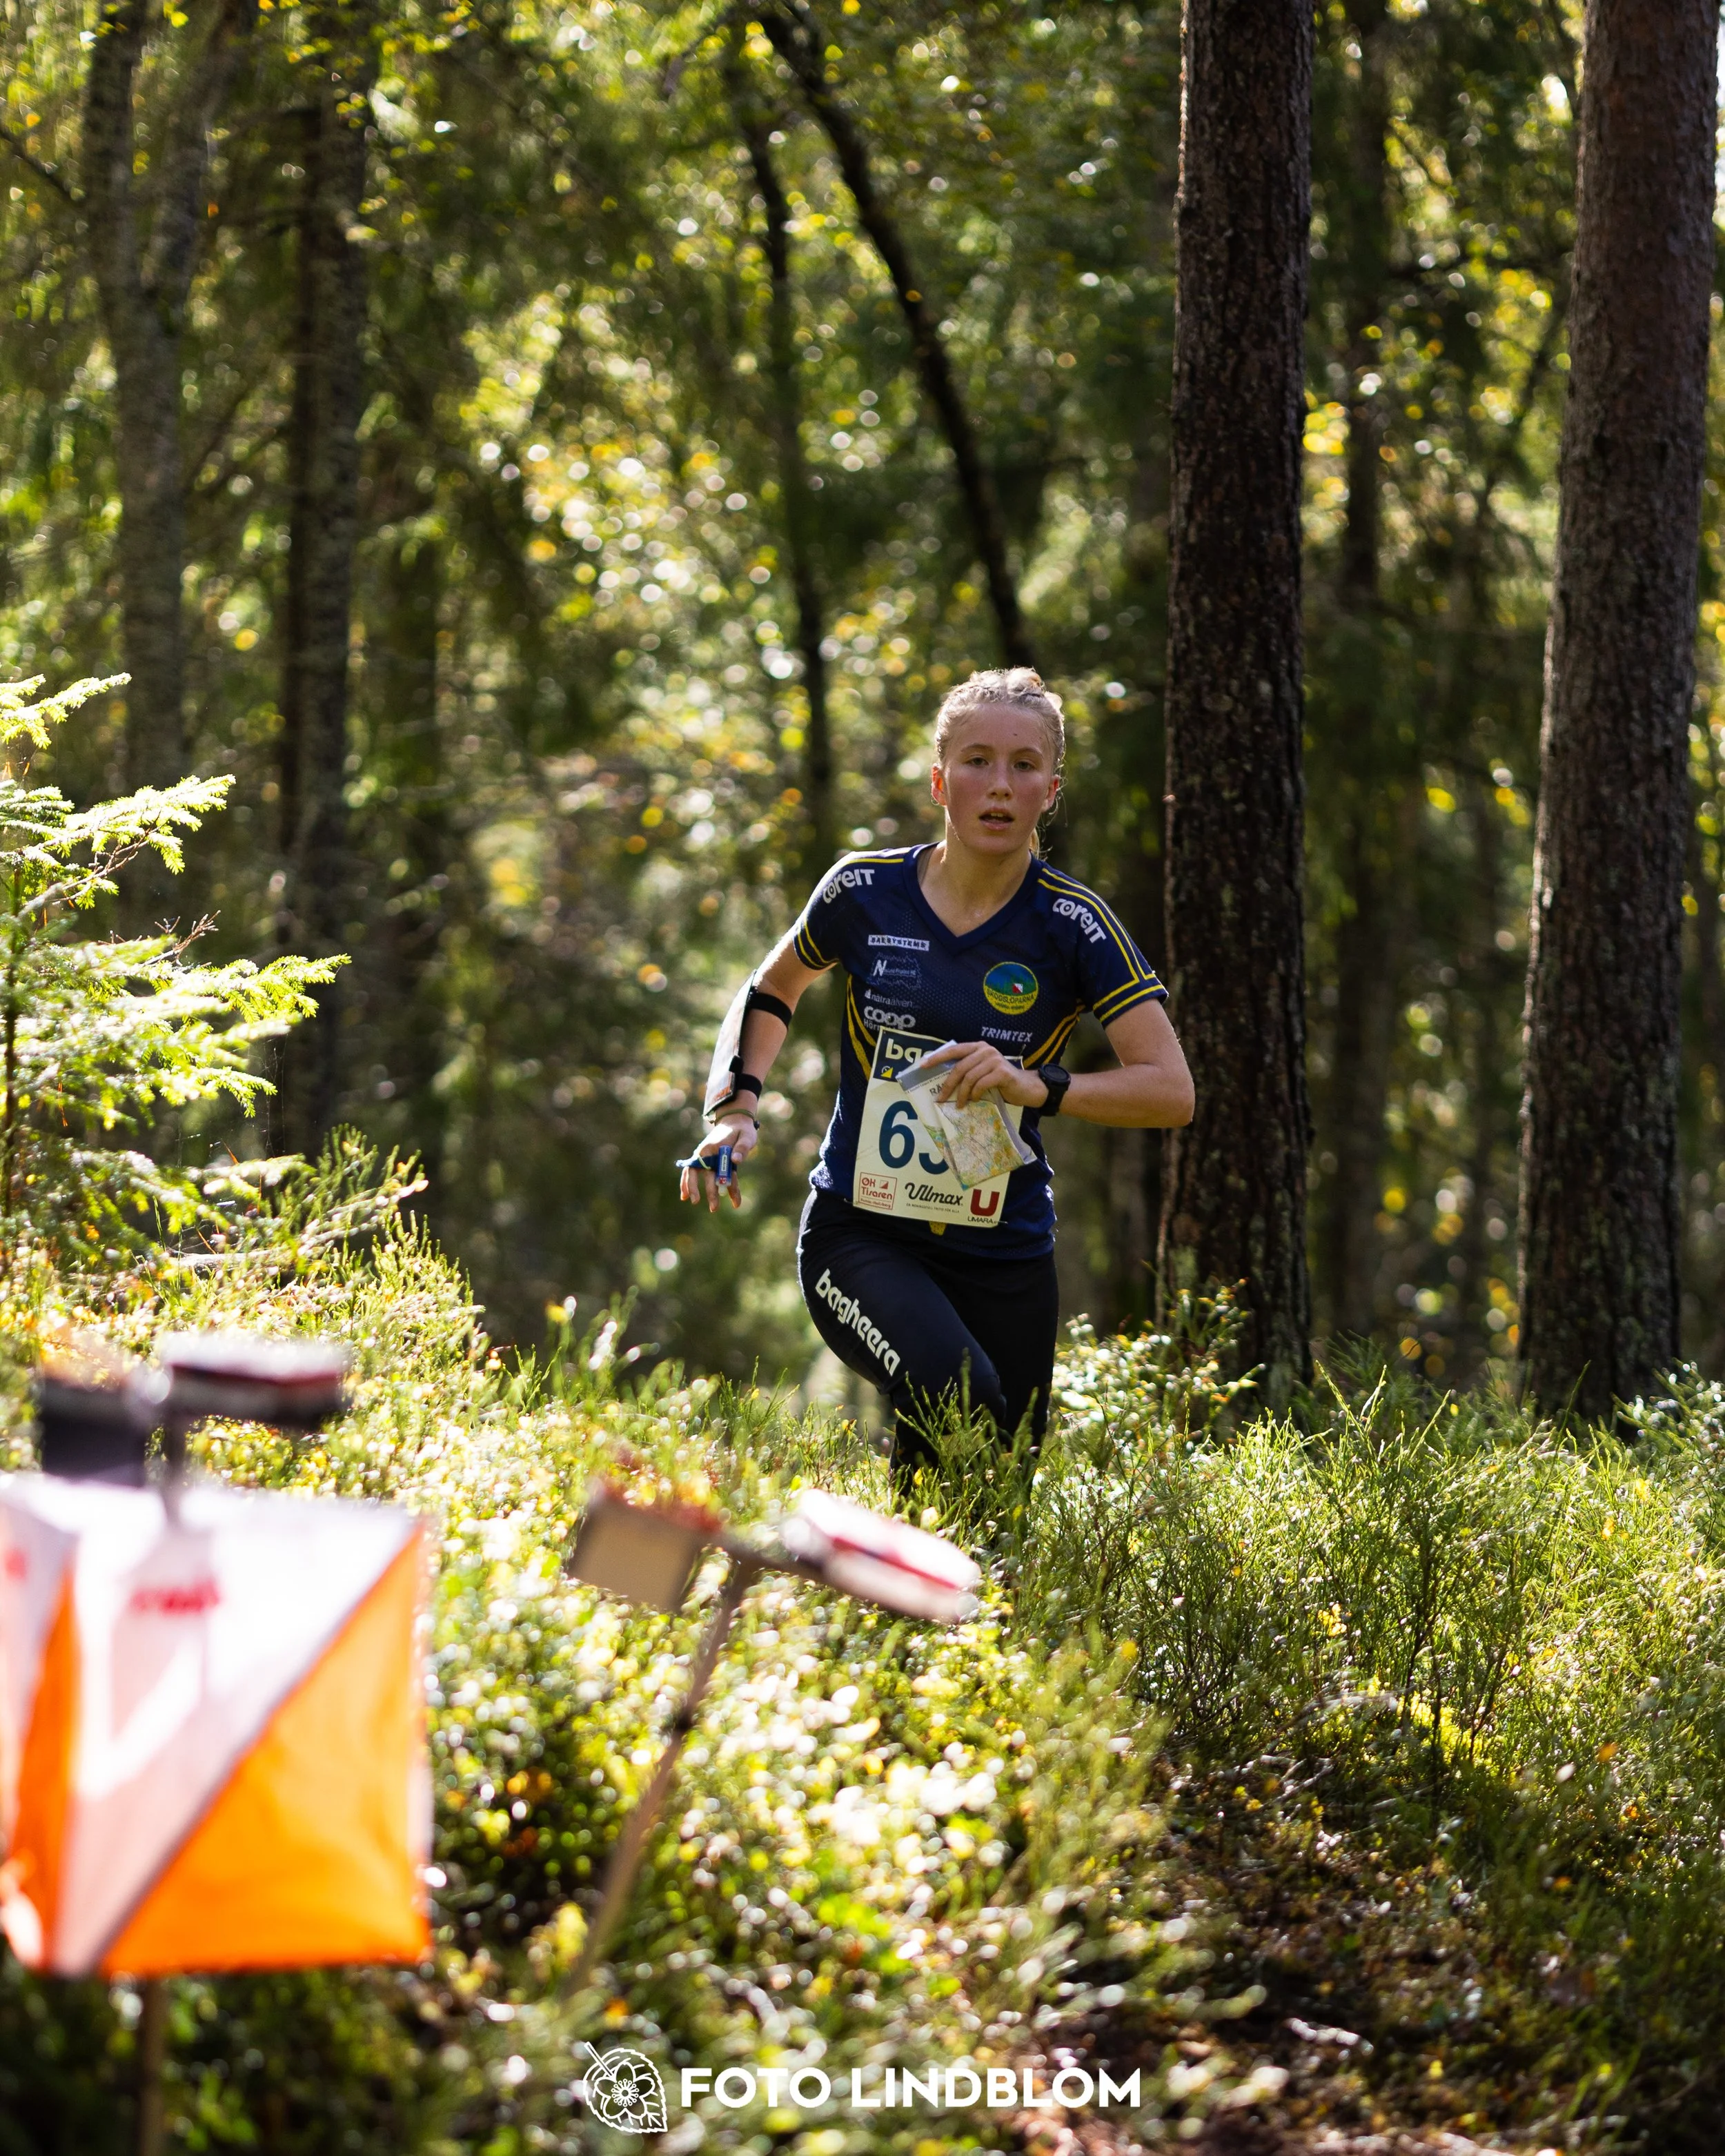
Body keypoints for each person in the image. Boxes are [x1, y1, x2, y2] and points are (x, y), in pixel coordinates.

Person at [679, 667, 1194, 1483]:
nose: (999, 785)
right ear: (938, 780)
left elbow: (1170, 1089)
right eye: (977, 760)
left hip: (1006, 1254)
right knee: (960, 1400)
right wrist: (734, 1108)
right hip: (862, 1234)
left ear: (1049, 792)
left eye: (1024, 766)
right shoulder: (864, 890)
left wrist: (1038, 1085)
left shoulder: (1073, 925)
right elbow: (770, 987)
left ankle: (896, 1604)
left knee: (986, 1497)